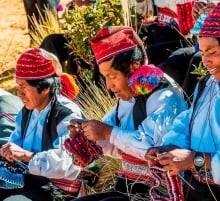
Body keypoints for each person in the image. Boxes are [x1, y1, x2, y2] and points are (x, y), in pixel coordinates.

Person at [145, 3, 220, 200]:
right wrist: (168, 148)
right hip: (197, 189)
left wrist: (195, 160)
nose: (205, 61)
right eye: (202, 52)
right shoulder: (207, 83)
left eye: (211, 52)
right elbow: (190, 121)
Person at [67, 26, 187, 201]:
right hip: (131, 188)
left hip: (158, 192)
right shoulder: (128, 96)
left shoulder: (163, 94)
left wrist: (108, 132)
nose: (109, 85)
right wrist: (88, 135)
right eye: (105, 77)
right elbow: (114, 142)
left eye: (112, 76)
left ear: (135, 66)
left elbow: (151, 147)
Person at [0, 48, 84, 201]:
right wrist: (4, 154)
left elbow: (68, 164)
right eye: (18, 86)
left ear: (45, 87)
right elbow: (15, 146)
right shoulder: (26, 112)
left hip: (57, 188)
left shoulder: (67, 114)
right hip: (26, 181)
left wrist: (26, 156)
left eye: (24, 87)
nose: (19, 93)